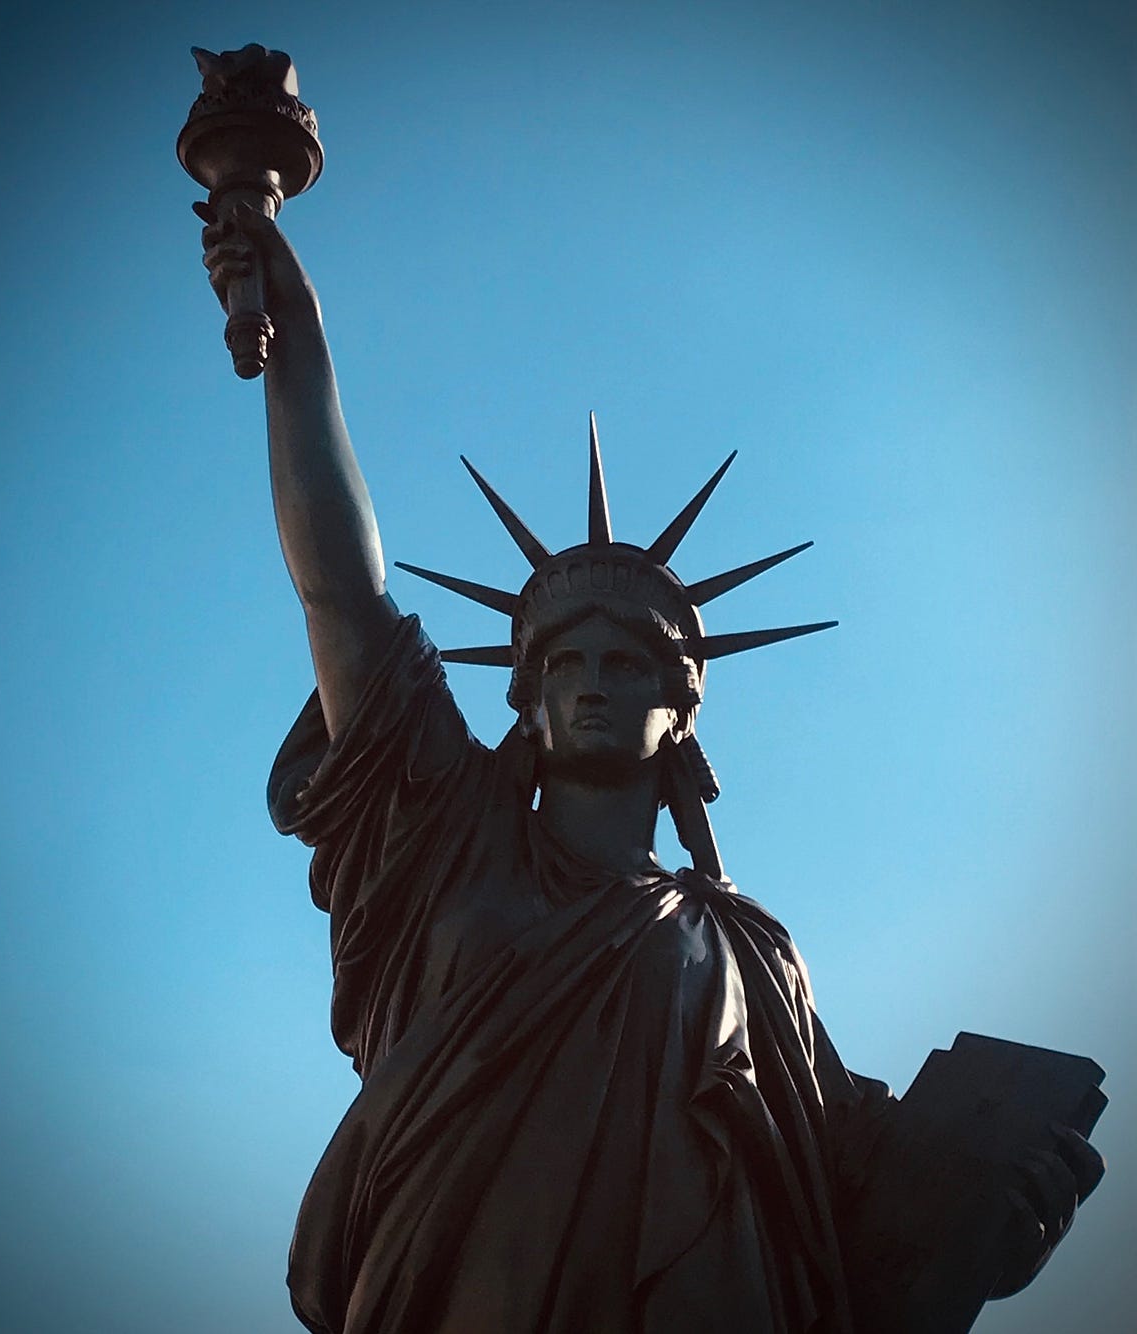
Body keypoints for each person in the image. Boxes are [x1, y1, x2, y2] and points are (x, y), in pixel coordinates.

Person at [197, 203, 1103, 1334]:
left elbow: (855, 1194)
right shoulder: (444, 835)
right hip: (459, 1286)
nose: (589, 683)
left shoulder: (752, 952)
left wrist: (995, 1213)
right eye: (561, 661)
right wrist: (302, 333)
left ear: (683, 715)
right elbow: (339, 585)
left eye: (628, 663)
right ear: (521, 696)